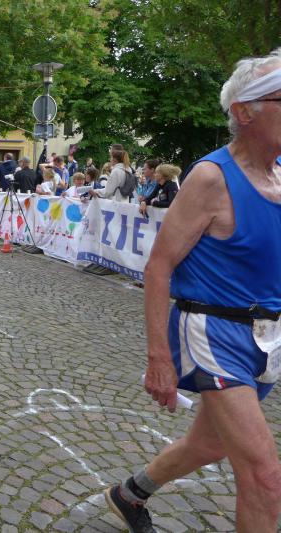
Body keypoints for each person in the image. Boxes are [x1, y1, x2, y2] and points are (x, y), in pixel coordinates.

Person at [106, 48, 281, 533]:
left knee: (211, 443)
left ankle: (130, 493)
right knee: (265, 477)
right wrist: (159, 358)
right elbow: (159, 266)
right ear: (245, 112)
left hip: (267, 338)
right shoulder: (211, 178)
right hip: (214, 332)